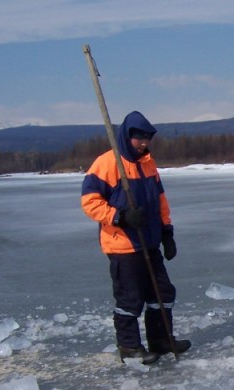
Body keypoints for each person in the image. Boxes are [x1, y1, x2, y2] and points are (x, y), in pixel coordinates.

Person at [81, 111, 191, 365]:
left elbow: (160, 201)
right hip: (122, 244)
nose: (143, 143)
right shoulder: (108, 163)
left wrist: (167, 232)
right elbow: (89, 202)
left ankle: (161, 339)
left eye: (146, 138)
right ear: (126, 136)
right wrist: (120, 217)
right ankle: (129, 346)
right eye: (138, 138)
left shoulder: (147, 164)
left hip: (150, 241)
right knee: (130, 298)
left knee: (162, 293)